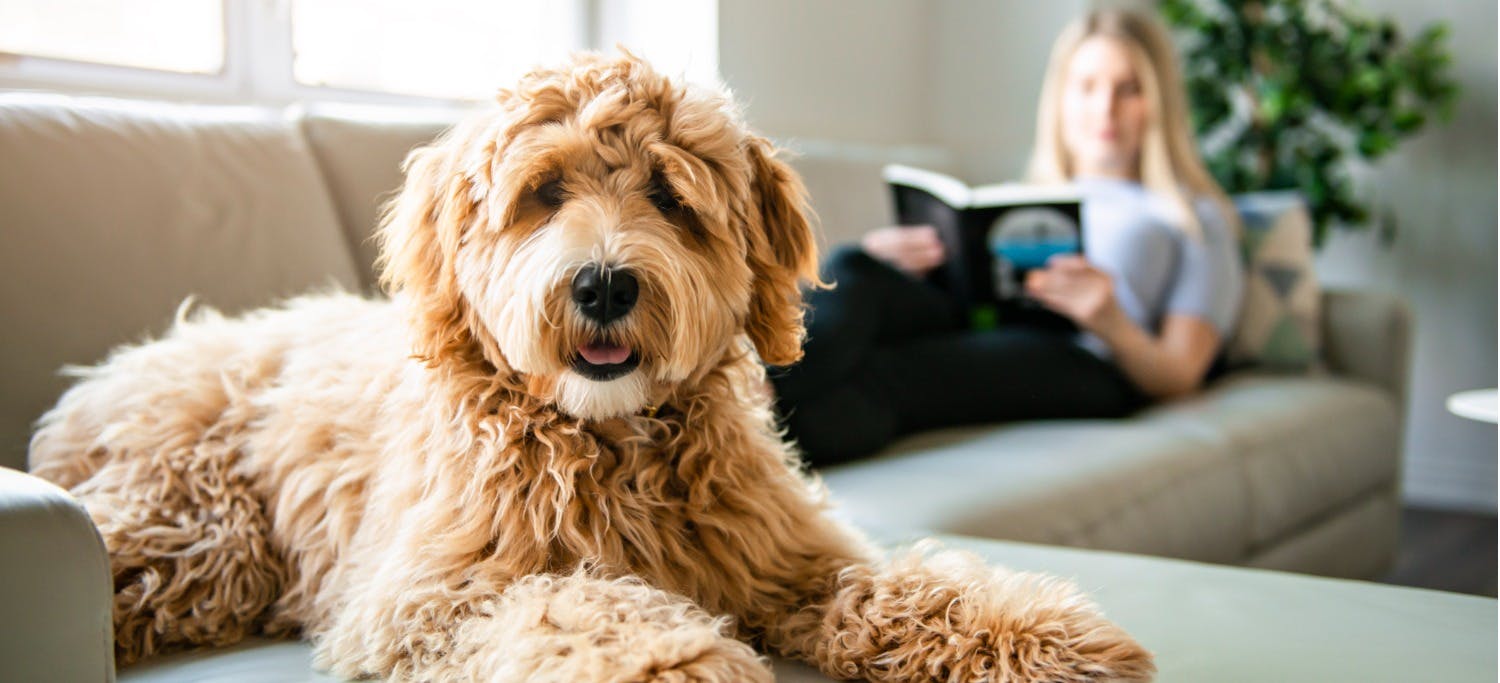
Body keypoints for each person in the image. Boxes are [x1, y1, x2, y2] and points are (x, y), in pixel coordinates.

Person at [769, 8, 1244, 467]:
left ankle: (735, 427)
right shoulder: (1028, 194)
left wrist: (1110, 320)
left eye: (1129, 89)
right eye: (1087, 87)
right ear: (1060, 99)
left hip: (1086, 358)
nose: (1105, 108)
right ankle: (747, 393)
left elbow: (1181, 373)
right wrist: (903, 263)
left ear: (1159, 102)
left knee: (893, 375)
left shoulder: (1193, 217)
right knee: (855, 267)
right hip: (981, 319)